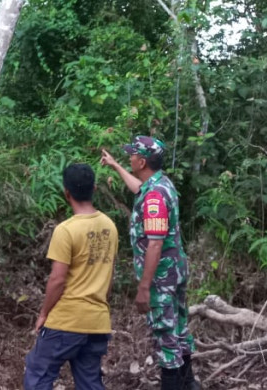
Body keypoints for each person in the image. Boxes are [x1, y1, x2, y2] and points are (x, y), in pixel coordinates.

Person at [101, 136, 199, 390]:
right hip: (174, 271)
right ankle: (189, 384)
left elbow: (155, 243)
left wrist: (144, 287)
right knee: (178, 328)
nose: (129, 157)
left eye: (132, 155)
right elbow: (137, 188)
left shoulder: (154, 196)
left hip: (161, 278)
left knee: (166, 337)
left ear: (142, 161)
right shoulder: (159, 184)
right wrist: (115, 166)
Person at [24, 163, 119, 390]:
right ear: (94, 188)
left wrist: (44, 313)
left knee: (37, 376)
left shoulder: (66, 230)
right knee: (90, 382)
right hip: (97, 322)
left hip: (67, 320)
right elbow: (109, 275)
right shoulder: (110, 226)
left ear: (66, 192)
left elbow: (57, 280)